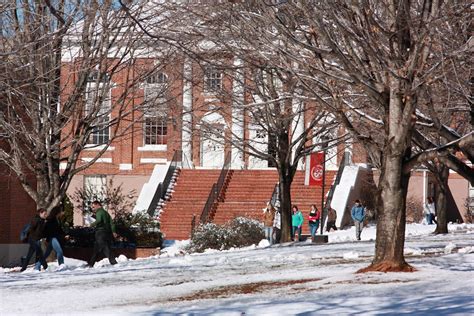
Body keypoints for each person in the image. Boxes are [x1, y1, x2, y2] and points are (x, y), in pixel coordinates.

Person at [35, 205, 69, 271]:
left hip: (54, 238)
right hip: (53, 238)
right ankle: (61, 265)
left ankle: (37, 265)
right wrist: (46, 239)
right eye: (61, 211)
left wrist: (64, 235)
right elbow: (49, 231)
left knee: (46, 254)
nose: (62, 213)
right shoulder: (50, 220)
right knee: (59, 251)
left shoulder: (57, 219)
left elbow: (59, 230)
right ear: (57, 212)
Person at [87, 201, 118, 267]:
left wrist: (91, 225)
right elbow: (112, 223)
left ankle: (113, 262)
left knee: (105, 247)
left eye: (93, 207)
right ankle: (91, 264)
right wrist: (113, 231)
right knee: (96, 249)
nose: (93, 208)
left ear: (98, 205)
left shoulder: (99, 212)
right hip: (106, 233)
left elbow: (99, 220)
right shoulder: (106, 213)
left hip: (100, 232)